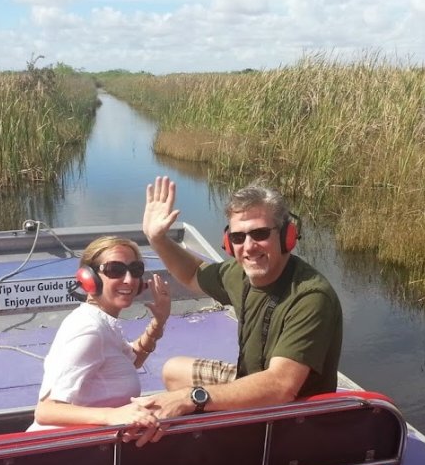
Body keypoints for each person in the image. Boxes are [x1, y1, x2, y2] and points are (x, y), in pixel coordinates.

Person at [138, 176, 342, 419]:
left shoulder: (310, 296)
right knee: (174, 371)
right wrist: (158, 239)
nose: (249, 246)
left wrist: (191, 398)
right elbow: (193, 274)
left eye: (260, 234)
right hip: (254, 378)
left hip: (293, 414)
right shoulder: (239, 274)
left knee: (188, 398)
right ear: (228, 242)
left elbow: (281, 387)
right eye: (238, 237)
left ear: (287, 236)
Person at [28, 235, 169, 437]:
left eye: (135, 270)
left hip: (89, 447)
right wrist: (112, 416)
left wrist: (158, 322)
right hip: (59, 452)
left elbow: (131, 361)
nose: (129, 279)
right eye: (115, 270)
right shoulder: (88, 329)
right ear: (89, 277)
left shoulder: (103, 322)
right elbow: (46, 411)